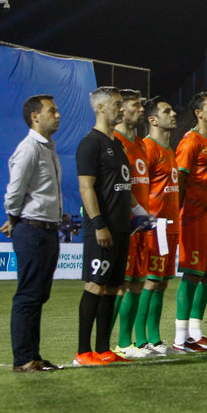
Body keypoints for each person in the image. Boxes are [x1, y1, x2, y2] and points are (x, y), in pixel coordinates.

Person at [74, 87, 150, 366]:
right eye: (117, 104)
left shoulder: (116, 144)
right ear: (101, 108)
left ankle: (104, 348)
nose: (121, 109)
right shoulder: (90, 143)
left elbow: (125, 187)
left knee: (112, 288)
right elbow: (86, 187)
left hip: (122, 228)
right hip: (102, 229)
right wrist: (98, 224)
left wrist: (140, 213)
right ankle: (83, 352)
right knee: (95, 286)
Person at [1, 95, 64, 372]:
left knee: (38, 295)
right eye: (52, 110)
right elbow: (14, 191)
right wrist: (14, 218)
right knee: (28, 295)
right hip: (33, 230)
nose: (58, 114)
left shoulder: (47, 147)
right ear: (35, 116)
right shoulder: (29, 148)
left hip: (46, 231)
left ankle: (32, 356)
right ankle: (24, 358)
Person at [173, 91, 207, 352]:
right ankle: (180, 337)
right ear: (199, 113)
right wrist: (178, 215)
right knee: (192, 275)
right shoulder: (190, 141)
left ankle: (196, 333)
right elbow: (180, 182)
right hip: (194, 218)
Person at [112, 89, 154, 359]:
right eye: (135, 105)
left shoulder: (140, 145)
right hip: (122, 226)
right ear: (120, 110)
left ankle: (128, 342)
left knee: (137, 283)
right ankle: (109, 343)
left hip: (142, 226)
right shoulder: (113, 143)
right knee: (120, 284)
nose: (140, 109)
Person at [139, 96, 180, 354]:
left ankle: (154, 339)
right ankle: (140, 338)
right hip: (154, 225)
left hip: (171, 225)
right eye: (167, 110)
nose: (173, 113)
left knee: (162, 282)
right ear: (152, 119)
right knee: (150, 282)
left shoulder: (169, 150)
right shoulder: (147, 148)